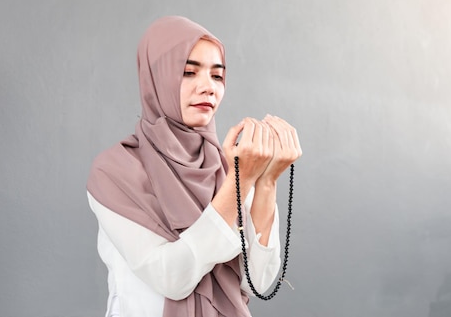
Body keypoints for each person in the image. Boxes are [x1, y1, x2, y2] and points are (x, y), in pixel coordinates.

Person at [87, 16, 302, 317]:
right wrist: (238, 184)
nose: (208, 88)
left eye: (217, 76)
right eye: (188, 72)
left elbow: (258, 281)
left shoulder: (229, 164)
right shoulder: (114, 172)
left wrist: (266, 182)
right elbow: (170, 278)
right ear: (157, 78)